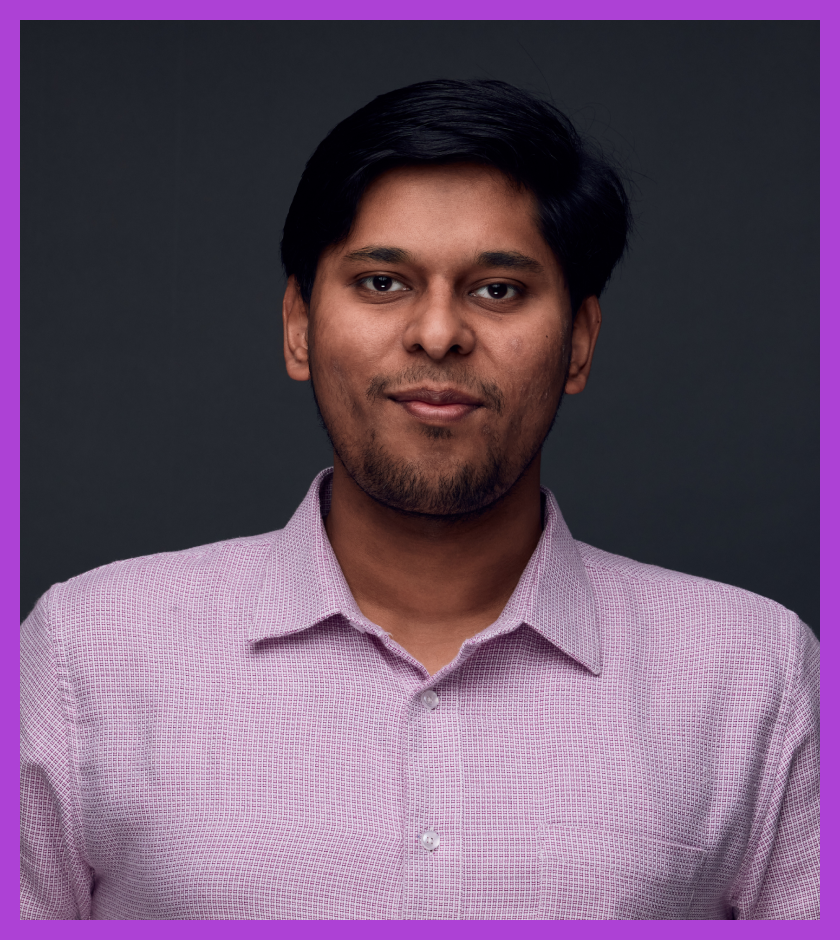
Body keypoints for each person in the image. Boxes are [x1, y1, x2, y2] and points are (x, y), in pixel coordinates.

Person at [20, 79, 819, 920]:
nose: (438, 332)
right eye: (380, 282)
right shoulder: (85, 655)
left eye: (499, 289)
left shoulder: (755, 673)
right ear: (299, 324)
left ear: (579, 343)